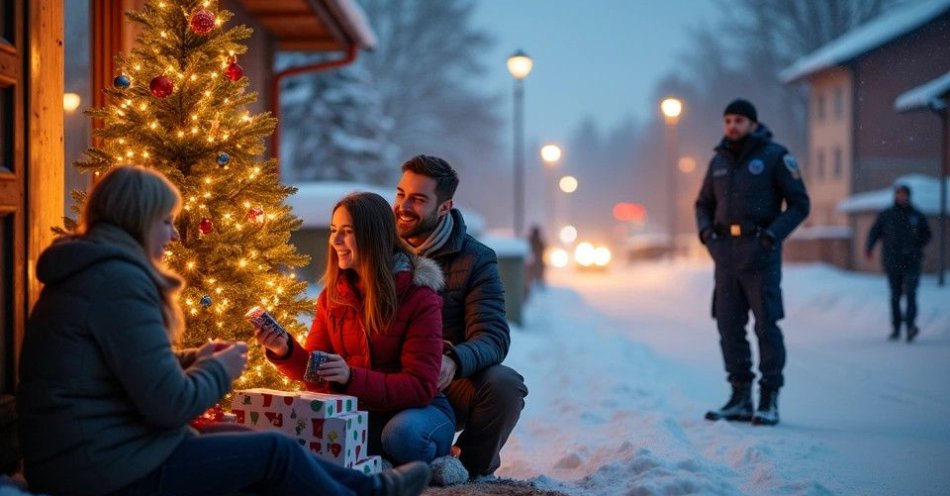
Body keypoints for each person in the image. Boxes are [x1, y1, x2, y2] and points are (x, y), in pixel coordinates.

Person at [17, 166, 430, 496]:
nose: (174, 234)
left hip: (94, 452)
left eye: (348, 232)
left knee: (240, 434)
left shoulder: (99, 276)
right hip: (101, 466)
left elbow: (118, 371)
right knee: (273, 450)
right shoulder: (116, 284)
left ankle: (374, 488)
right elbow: (170, 405)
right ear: (139, 221)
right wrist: (226, 367)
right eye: (166, 221)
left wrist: (193, 359)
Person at [257, 192, 456, 467]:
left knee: (402, 436)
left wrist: (351, 377)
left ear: (372, 238)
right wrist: (284, 350)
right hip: (363, 413)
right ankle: (381, 460)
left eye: (347, 232)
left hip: (419, 411)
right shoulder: (332, 297)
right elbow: (314, 373)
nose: (335, 241)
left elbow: (420, 387)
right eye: (333, 231)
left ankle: (440, 461)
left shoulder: (419, 298)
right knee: (304, 434)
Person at [393, 155, 528, 478]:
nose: (403, 206)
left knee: (504, 385)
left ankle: (465, 468)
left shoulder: (476, 258)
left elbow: (493, 335)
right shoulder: (380, 248)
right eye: (401, 194)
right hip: (388, 376)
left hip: (446, 383)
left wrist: (454, 360)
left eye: (418, 199)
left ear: (444, 206)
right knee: (400, 436)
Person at [695, 99, 810, 426]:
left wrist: (770, 237)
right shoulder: (718, 160)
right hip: (725, 258)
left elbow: (800, 204)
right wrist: (706, 234)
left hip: (760, 256)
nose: (732, 126)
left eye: (740, 120)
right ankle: (740, 397)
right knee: (729, 327)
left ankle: (768, 399)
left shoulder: (774, 156)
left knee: (766, 327)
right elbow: (702, 203)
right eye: (728, 120)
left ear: (753, 125)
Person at [865, 184, 932, 342]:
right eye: (899, 194)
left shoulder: (916, 215)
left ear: (909, 196)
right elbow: (874, 232)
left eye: (905, 194)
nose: (902, 197)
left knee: (911, 293)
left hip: (912, 261)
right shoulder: (887, 215)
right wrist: (869, 248)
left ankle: (910, 326)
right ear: (895, 196)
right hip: (892, 261)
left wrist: (916, 245)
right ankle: (896, 327)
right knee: (895, 296)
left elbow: (927, 234)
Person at [527, 225, 547, 293]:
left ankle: (536, 288)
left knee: (535, 277)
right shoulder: (533, 240)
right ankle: (536, 288)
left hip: (535, 262)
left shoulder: (532, 240)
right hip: (535, 262)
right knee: (536, 277)